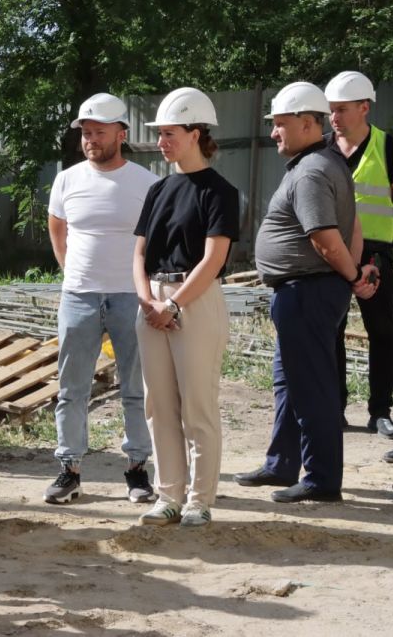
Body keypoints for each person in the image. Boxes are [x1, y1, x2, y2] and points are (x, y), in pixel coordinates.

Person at [236, 82, 378, 503]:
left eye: (280, 124)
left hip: (307, 292)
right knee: (289, 383)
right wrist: (352, 274)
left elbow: (325, 238)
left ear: (306, 123)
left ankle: (321, 479)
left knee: (312, 387)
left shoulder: (313, 170)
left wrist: (351, 274)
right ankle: (282, 463)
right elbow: (353, 226)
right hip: (304, 291)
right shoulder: (324, 163)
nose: (273, 133)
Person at [42, 93, 157, 505]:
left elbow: (155, 238)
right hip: (79, 296)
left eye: (99, 132)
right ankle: (69, 470)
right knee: (72, 388)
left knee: (136, 388)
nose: (90, 139)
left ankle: (137, 470)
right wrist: (71, 270)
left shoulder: (146, 182)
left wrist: (144, 286)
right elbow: (57, 227)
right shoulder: (67, 179)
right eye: (86, 133)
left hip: (130, 296)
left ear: (121, 134)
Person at [132, 88, 239, 527]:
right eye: (160, 134)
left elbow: (213, 259)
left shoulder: (220, 192)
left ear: (196, 134)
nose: (161, 141)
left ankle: (199, 500)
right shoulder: (158, 190)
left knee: (197, 405)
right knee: (158, 405)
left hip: (193, 300)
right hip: (153, 301)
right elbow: (140, 253)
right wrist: (147, 299)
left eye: (170, 133)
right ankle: (168, 496)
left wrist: (173, 305)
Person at [324, 71, 393, 441]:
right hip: (330, 252)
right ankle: (334, 407)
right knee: (331, 331)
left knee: (382, 331)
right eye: (331, 110)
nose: (333, 117)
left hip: (376, 255)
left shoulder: (387, 147)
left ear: (364, 108)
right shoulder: (321, 150)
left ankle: (380, 411)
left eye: (341, 109)